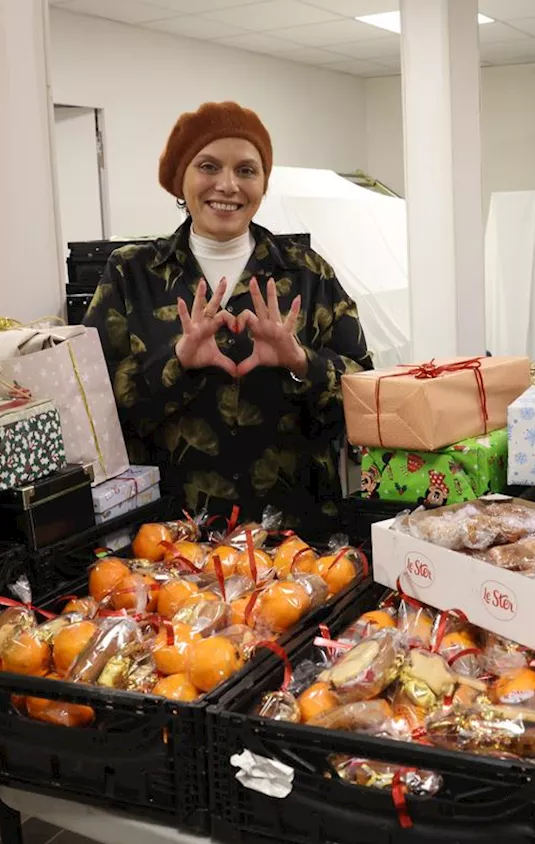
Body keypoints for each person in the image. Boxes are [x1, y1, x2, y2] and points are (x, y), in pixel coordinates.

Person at [83, 101, 372, 536]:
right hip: (170, 540)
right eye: (208, 166)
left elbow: (367, 396)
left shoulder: (307, 273)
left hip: (297, 535)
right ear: (181, 178)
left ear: (262, 184)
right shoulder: (131, 275)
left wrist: (301, 362)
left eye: (246, 170)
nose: (227, 185)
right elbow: (94, 413)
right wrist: (176, 360)